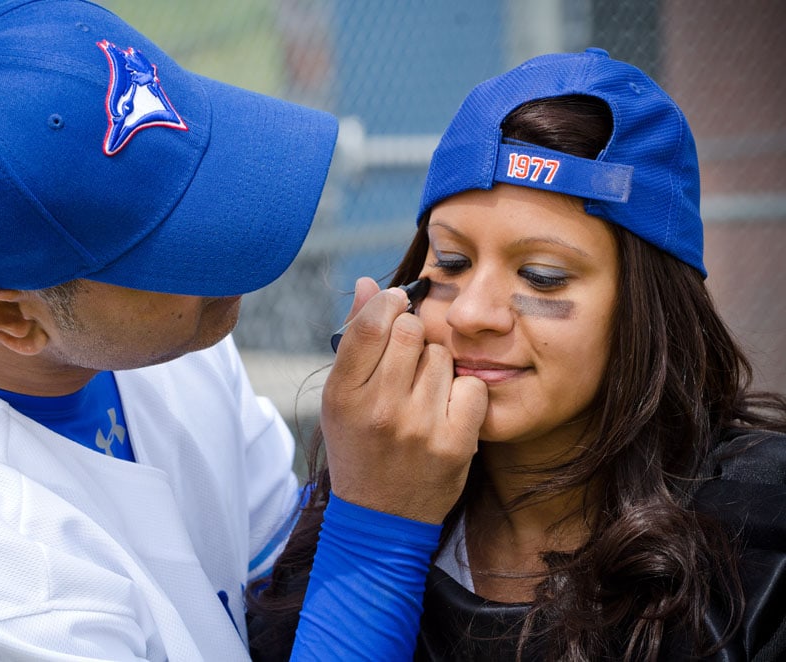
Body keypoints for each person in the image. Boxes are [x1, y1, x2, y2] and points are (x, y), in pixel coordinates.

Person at [0, 0, 343, 659]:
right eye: (166, 247)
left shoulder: (17, 273)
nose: (230, 246)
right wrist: (380, 528)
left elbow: (267, 573)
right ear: (9, 319)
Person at [247, 48, 786, 661]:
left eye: (542, 275)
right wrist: (370, 525)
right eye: (450, 261)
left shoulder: (760, 545)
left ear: (650, 311)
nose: (473, 313)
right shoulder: (352, 509)